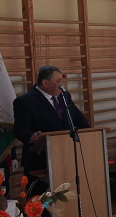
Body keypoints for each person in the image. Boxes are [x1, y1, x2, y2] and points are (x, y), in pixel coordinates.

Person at [13, 66, 91, 194]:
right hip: (40, 160)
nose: (62, 84)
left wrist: (90, 133)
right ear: (45, 83)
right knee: (41, 201)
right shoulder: (25, 101)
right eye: (58, 81)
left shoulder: (64, 96)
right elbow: (20, 130)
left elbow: (77, 118)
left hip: (66, 156)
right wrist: (32, 136)